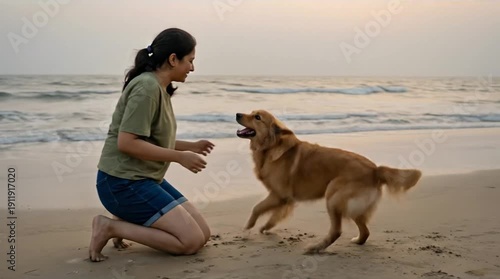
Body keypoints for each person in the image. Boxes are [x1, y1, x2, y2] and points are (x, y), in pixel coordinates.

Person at [89, 28, 214, 262]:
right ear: (173, 59)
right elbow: (127, 143)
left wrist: (190, 146)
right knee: (190, 242)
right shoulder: (146, 88)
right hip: (121, 183)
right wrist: (180, 157)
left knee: (203, 234)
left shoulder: (160, 89)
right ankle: (110, 227)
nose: (192, 68)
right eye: (190, 61)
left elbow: (152, 139)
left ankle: (122, 221)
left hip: (143, 179)